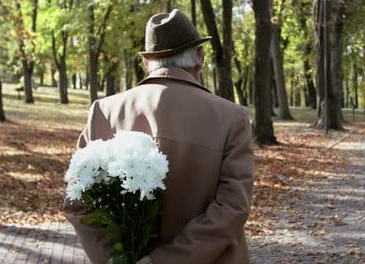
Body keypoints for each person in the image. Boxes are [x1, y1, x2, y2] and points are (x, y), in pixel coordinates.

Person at [63, 9, 255, 264]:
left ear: (147, 62)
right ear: (199, 57)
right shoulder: (232, 118)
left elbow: (77, 201)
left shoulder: (104, 112)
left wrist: (115, 259)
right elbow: (233, 208)